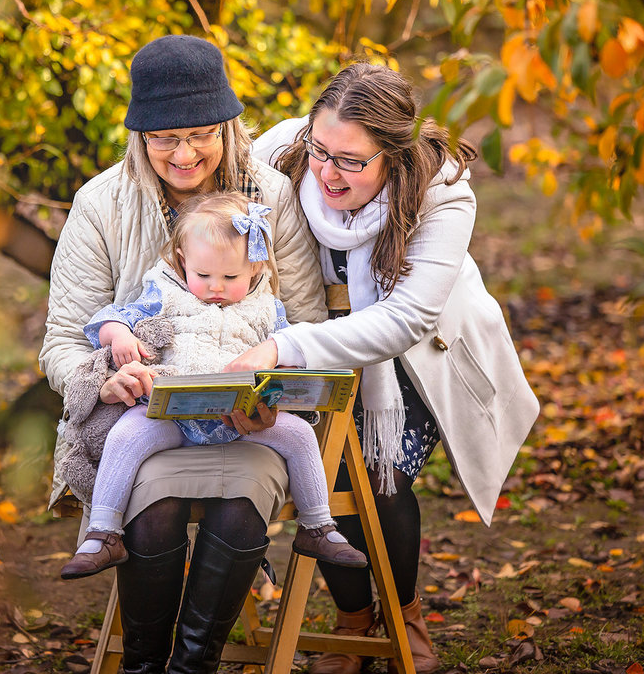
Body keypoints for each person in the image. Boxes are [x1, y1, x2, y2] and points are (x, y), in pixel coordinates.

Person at [229, 63, 540, 674]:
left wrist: (285, 349)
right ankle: (353, 622)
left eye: (351, 160)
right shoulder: (282, 158)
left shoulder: (441, 190)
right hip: (307, 333)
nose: (327, 170)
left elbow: (404, 319)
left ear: (392, 155)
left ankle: (403, 614)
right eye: (321, 150)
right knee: (318, 469)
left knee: (381, 473)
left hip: (414, 358)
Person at [40, 34, 327, 674]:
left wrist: (272, 387)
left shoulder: (271, 199)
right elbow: (61, 341)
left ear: (227, 126)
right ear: (139, 136)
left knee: (242, 495)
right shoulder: (101, 204)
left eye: (200, 133)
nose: (184, 152)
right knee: (155, 504)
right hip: (149, 420)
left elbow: (309, 326)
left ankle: (192, 667)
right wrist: (101, 378)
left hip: (248, 424)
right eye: (164, 137)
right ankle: (145, 665)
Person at [59, 192, 366, 580]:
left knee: (301, 435)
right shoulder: (165, 291)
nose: (215, 287)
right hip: (170, 415)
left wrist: (283, 384)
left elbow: (290, 352)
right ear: (183, 261)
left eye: (230, 277)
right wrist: (119, 336)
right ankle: (102, 533)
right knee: (126, 434)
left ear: (255, 269)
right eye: (203, 275)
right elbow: (111, 317)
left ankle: (317, 526)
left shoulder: (266, 307)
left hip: (239, 421)